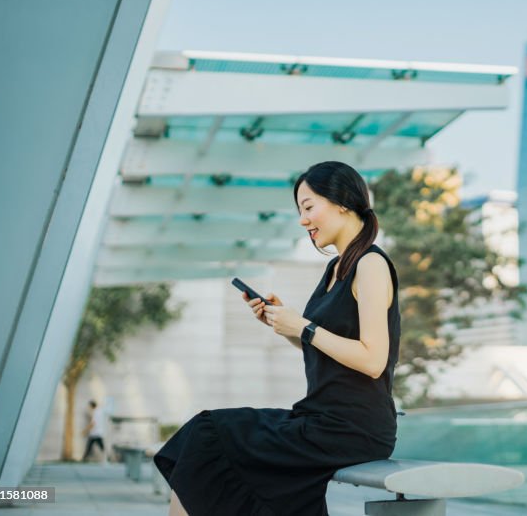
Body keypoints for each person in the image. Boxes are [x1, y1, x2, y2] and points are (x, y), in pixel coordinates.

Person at [154, 161, 401, 516]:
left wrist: (303, 327)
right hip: (319, 419)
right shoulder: (336, 269)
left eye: (308, 207)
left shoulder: (370, 264)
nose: (303, 221)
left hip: (352, 429)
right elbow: (326, 350)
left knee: (210, 433)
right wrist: (282, 324)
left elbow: (373, 360)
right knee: (204, 440)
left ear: (343, 202)